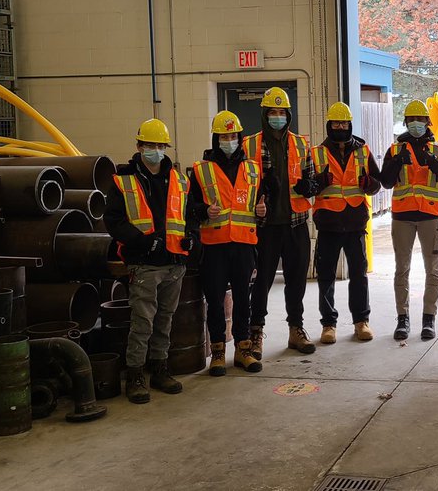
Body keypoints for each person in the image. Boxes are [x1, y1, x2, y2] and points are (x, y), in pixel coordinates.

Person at [104, 118, 197, 403]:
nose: (155, 150)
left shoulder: (180, 180)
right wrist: (141, 241)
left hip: (174, 262)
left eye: (159, 145)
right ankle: (135, 375)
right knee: (142, 321)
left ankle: (159, 368)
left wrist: (191, 237)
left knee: (165, 320)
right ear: (139, 146)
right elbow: (113, 221)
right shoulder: (124, 181)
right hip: (144, 263)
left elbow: (189, 215)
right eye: (149, 145)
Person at [187, 110, 266, 376]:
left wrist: (262, 209)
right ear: (215, 138)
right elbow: (189, 206)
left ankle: (243, 349)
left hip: (244, 244)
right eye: (224, 136)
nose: (229, 140)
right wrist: (202, 210)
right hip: (214, 245)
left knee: (244, 298)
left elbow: (258, 202)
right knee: (216, 299)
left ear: (240, 137)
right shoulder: (200, 170)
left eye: (233, 135)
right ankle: (218, 351)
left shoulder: (253, 169)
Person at [243, 87, 320, 358]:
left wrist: (309, 185)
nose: (278, 117)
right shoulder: (249, 145)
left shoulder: (301, 144)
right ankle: (256, 333)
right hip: (264, 227)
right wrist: (256, 201)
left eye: (282, 113)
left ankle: (295, 329)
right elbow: (241, 185)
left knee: (296, 281)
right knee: (261, 281)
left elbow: (311, 180)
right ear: (265, 114)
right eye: (272, 112)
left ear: (288, 115)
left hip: (296, 223)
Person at [377, 99, 438, 341]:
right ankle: (403, 319)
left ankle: (428, 319)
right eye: (411, 120)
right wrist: (398, 161)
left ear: (427, 122)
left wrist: (433, 162)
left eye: (419, 120)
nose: (415, 124)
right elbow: (386, 182)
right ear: (405, 122)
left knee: (432, 270)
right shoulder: (395, 150)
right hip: (402, 217)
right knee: (402, 269)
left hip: (430, 217)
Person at [312, 102, 382, 343]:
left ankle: (361, 322)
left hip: (354, 224)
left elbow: (377, 184)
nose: (340, 127)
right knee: (326, 276)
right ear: (329, 125)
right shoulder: (317, 153)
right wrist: (319, 181)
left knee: (359, 276)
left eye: (343, 123)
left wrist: (368, 184)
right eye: (335, 123)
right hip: (329, 223)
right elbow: (308, 186)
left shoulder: (363, 151)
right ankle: (328, 324)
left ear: (349, 125)